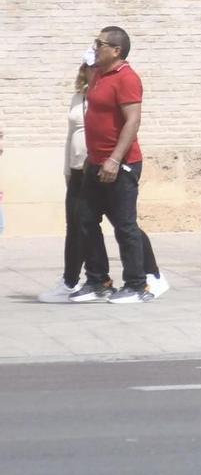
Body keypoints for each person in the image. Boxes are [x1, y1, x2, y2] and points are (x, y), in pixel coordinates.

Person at [77, 26, 163, 304]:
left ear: (116, 50)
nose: (95, 47)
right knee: (86, 221)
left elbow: (132, 121)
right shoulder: (100, 74)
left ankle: (138, 285)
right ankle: (98, 280)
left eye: (99, 44)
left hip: (121, 164)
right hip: (96, 163)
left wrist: (114, 159)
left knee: (125, 226)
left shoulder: (127, 78)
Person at [40, 55, 112, 302]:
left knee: (122, 224)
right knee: (76, 225)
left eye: (95, 66)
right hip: (77, 170)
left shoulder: (105, 97)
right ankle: (72, 280)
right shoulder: (78, 98)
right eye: (88, 66)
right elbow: (71, 136)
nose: (91, 70)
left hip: (99, 169)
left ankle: (145, 274)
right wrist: (67, 171)